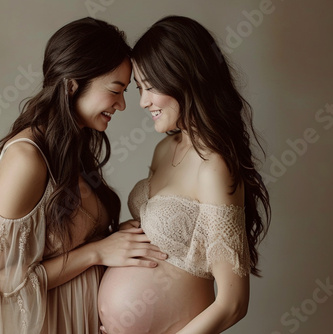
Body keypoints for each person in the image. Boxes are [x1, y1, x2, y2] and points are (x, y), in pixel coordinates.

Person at [0, 17, 167, 334]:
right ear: (72, 85)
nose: (123, 104)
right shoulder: (28, 158)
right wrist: (97, 251)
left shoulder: (72, 148)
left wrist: (113, 239)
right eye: (116, 90)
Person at [98, 16, 271, 334]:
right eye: (140, 88)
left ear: (185, 79)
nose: (143, 101)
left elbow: (233, 303)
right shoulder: (164, 150)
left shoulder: (214, 167)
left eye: (151, 87)